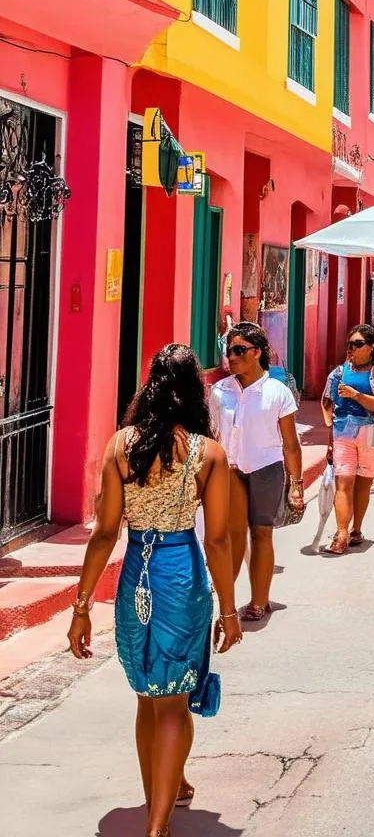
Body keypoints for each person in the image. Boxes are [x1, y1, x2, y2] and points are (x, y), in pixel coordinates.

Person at [69, 345, 241, 837]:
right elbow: (218, 539)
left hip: (135, 577)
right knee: (173, 700)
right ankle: (158, 824)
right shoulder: (208, 453)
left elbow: (104, 533)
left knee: (148, 696)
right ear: (195, 392)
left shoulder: (122, 445)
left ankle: (159, 804)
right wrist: (229, 610)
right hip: (181, 575)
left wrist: (81, 607)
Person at [209, 321, 303, 622]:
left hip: (267, 469)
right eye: (229, 350)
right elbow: (212, 436)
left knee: (262, 533)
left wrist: (296, 483)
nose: (231, 357)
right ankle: (226, 602)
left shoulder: (277, 391)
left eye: (238, 350)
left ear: (257, 352)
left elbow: (291, 443)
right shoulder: (219, 391)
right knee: (232, 536)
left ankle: (259, 601)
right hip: (230, 471)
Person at [319, 325, 374, 555]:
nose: (352, 348)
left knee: (363, 484)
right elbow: (328, 404)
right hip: (343, 431)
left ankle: (356, 529)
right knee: (344, 483)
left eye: (358, 344)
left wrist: (356, 395)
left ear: (371, 348)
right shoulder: (339, 373)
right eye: (350, 344)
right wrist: (330, 437)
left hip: (372, 431)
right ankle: (341, 532)